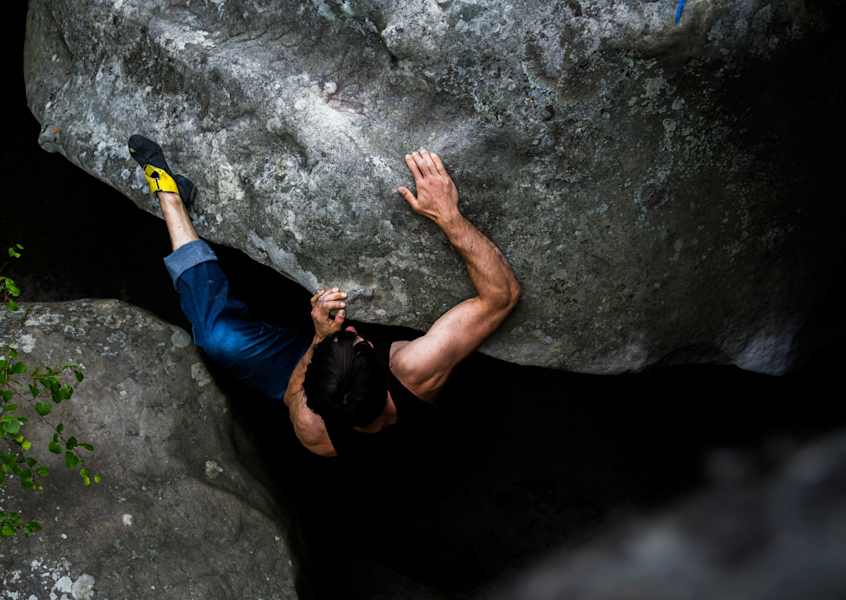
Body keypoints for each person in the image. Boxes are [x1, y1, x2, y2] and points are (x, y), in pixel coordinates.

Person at [129, 136, 520, 457]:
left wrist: (319, 338)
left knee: (216, 338)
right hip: (332, 370)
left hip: (309, 359)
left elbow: (292, 392)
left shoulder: (313, 430)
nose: (348, 327)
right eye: (354, 336)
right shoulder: (415, 368)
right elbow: (500, 296)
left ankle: (171, 196)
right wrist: (447, 215)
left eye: (345, 334)